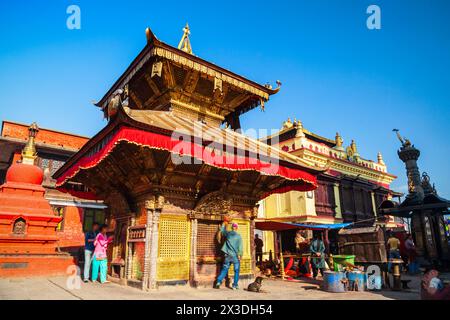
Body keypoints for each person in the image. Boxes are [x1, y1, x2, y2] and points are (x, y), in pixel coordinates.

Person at [214, 221, 243, 290]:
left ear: (232, 227)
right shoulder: (239, 236)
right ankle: (235, 285)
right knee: (236, 271)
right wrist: (240, 255)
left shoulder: (228, 234)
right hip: (235, 256)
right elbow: (240, 247)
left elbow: (222, 230)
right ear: (237, 228)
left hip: (227, 256)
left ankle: (218, 282)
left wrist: (224, 223)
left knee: (224, 269)